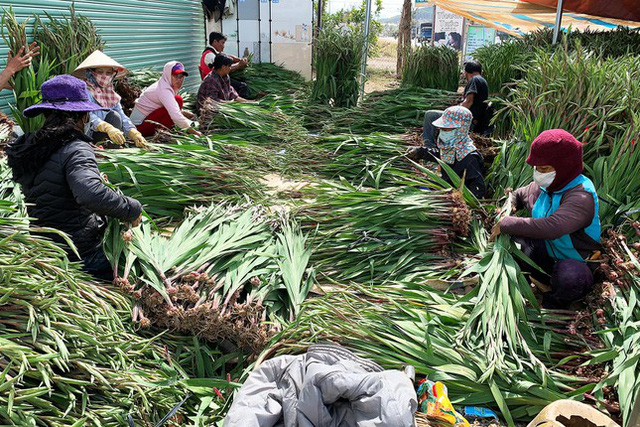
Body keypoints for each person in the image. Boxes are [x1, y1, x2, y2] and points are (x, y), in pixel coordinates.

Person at [5, 75, 143, 281]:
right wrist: (132, 208)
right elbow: (90, 194)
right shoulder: (75, 147)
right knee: (139, 261)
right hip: (80, 253)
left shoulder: (31, 144)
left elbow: (55, 184)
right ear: (83, 115)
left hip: (45, 247)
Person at [491, 129, 601, 308]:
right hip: (545, 254)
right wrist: (507, 207)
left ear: (565, 166)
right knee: (515, 242)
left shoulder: (581, 195)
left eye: (544, 169)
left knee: (572, 279)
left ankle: (553, 305)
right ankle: (526, 285)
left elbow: (553, 227)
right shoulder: (544, 186)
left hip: (573, 261)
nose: (538, 174)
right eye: (536, 168)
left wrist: (506, 223)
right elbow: (518, 195)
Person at [409, 60, 491, 161]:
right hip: (474, 121)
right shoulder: (482, 81)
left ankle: (429, 146)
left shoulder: (474, 80)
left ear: (466, 72)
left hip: (465, 121)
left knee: (430, 115)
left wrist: (453, 113)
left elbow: (468, 101)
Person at [73, 50, 148, 148]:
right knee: (114, 117)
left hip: (102, 134)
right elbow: (88, 116)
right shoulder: (84, 91)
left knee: (115, 116)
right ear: (91, 73)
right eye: (100, 72)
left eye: (108, 73)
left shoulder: (110, 93)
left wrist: (133, 132)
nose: (104, 76)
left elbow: (122, 115)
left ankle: (111, 151)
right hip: (86, 135)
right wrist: (107, 128)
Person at [130, 61, 201, 137]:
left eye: (181, 77)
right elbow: (175, 116)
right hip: (138, 128)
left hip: (141, 123)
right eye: (175, 76)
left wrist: (183, 112)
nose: (179, 80)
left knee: (177, 100)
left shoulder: (164, 84)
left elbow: (165, 107)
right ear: (168, 75)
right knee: (178, 100)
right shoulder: (164, 90)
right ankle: (161, 132)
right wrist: (194, 132)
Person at [427, 106, 485, 198]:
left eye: (446, 130)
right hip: (445, 188)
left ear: (460, 130)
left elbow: (478, 189)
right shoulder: (452, 148)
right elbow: (439, 154)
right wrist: (420, 152)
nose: (442, 133)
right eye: (441, 129)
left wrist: (458, 201)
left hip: (453, 197)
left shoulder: (469, 157)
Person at [199, 32, 250, 98]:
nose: (223, 46)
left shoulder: (215, 53)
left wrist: (239, 60)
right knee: (242, 86)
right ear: (215, 42)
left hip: (219, 80)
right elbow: (222, 66)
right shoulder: (209, 55)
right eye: (222, 43)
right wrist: (239, 65)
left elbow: (228, 57)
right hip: (215, 83)